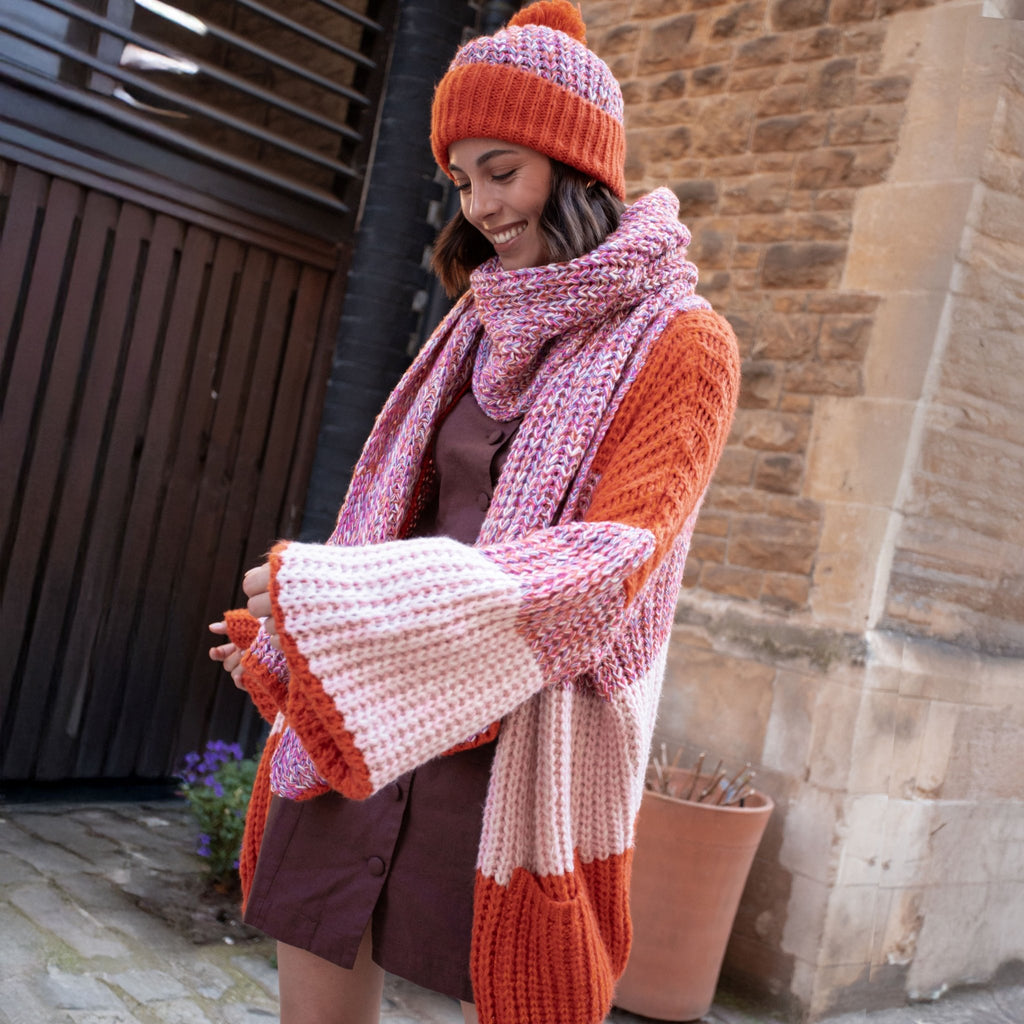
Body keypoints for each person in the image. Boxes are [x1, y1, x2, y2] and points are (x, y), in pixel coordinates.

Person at [208, 2, 741, 1022]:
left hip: (519, 744)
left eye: (503, 170)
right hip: (377, 720)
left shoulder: (686, 343)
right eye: (460, 180)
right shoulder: (470, 325)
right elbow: (396, 513)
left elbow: (608, 565)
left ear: (574, 162)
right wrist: (305, 639)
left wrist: (345, 595)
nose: (480, 205)